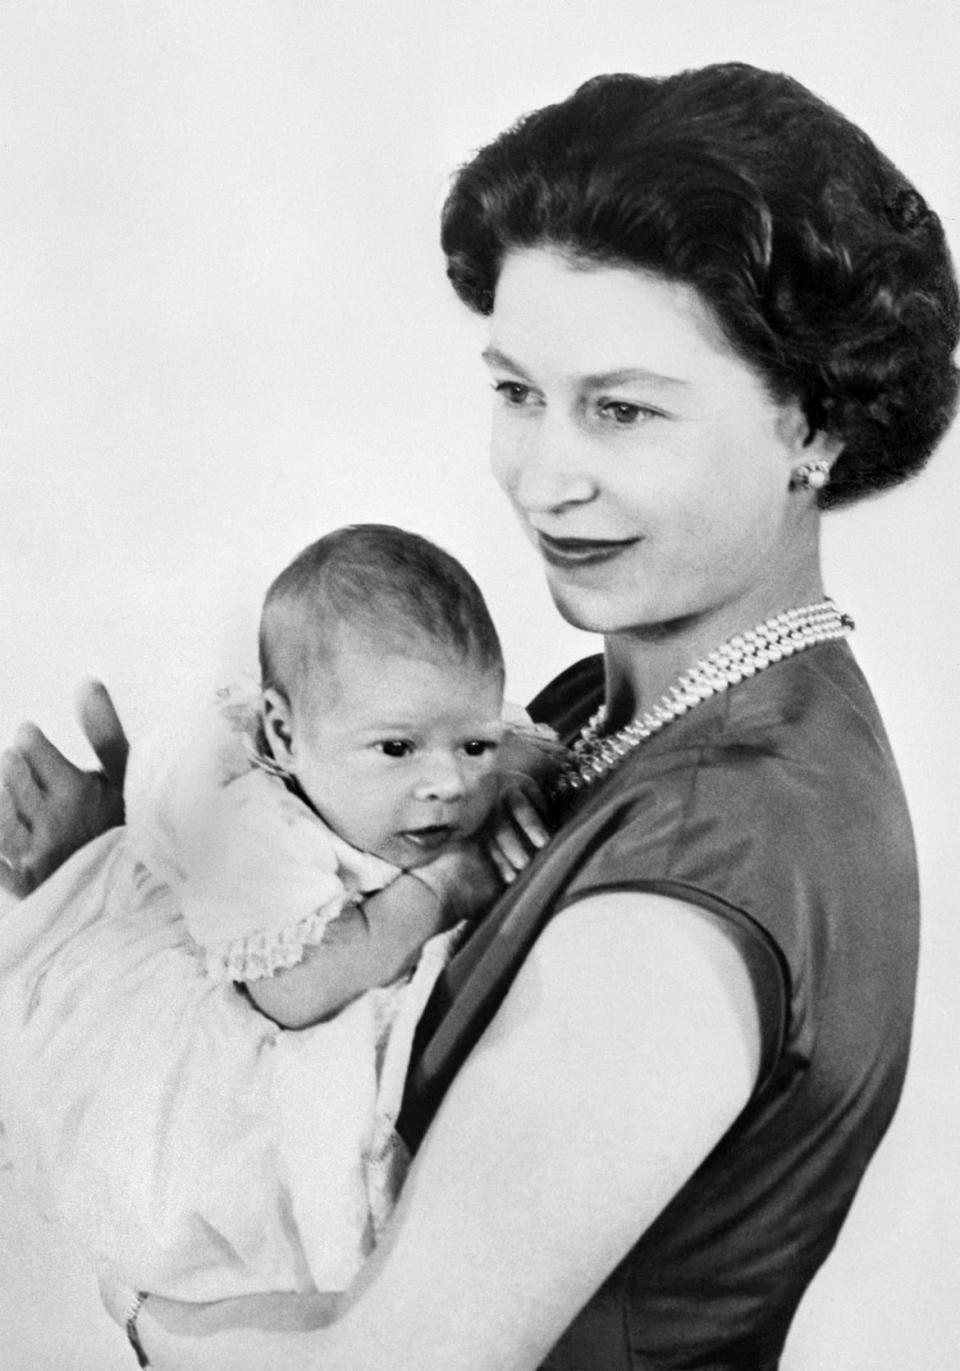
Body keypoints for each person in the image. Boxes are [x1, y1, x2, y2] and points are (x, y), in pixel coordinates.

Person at [1, 60, 958, 1371]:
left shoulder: (701, 884)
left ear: (816, 429)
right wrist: (143, 858)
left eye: (620, 409)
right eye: (517, 391)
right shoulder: (611, 705)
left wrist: (138, 1297)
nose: (542, 475)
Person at [0, 524, 551, 1309]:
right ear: (286, 735)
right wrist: (437, 889)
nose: (448, 784)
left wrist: (515, 785)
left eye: (472, 743)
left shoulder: (427, 757)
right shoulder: (260, 831)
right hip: (228, 1013)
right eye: (398, 748)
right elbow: (292, 992)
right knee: (236, 1177)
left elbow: (521, 758)